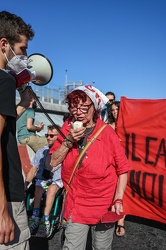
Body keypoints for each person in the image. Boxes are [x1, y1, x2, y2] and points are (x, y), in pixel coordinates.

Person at [50, 85, 130, 250]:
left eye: (84, 107)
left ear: (94, 107)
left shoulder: (107, 132)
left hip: (104, 203)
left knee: (101, 247)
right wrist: (68, 141)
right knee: (71, 247)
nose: (78, 112)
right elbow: (52, 162)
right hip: (76, 203)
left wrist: (118, 199)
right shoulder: (67, 128)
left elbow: (123, 169)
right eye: (73, 107)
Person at [0, 10, 34, 249]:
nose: (25, 56)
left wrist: (22, 105)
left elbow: (5, 126)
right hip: (7, 198)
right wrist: (3, 210)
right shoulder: (4, 79)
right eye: (22, 49)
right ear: (4, 44)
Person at [25, 125, 63, 237]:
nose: (48, 138)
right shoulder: (42, 151)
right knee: (38, 186)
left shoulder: (63, 152)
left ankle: (45, 220)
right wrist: (26, 183)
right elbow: (33, 170)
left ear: (59, 137)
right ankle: (35, 216)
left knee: (51, 188)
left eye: (52, 136)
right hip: (43, 181)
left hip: (57, 181)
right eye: (47, 135)